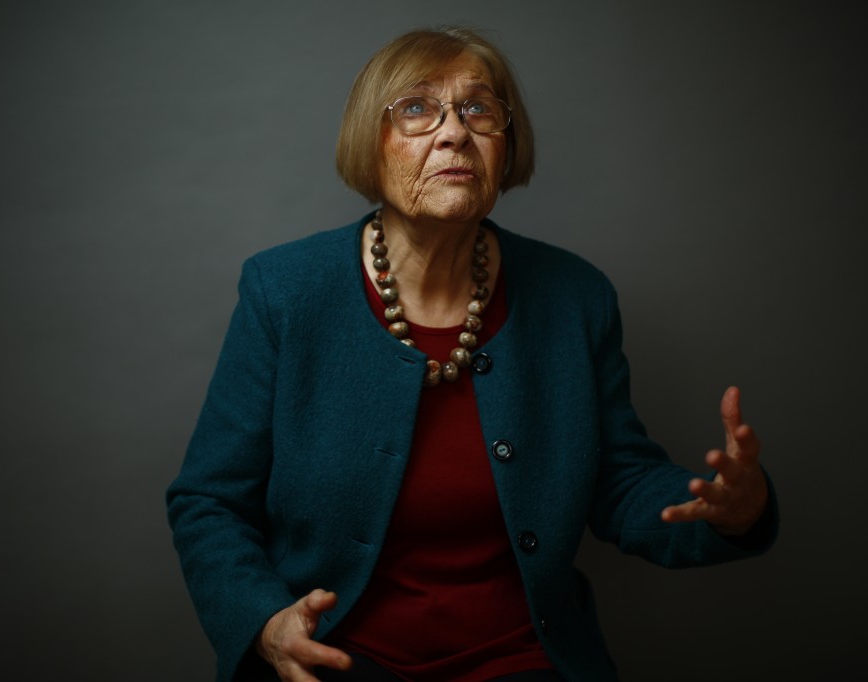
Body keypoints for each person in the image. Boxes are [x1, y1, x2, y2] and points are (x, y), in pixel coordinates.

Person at [166, 26, 777, 682]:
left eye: (479, 109)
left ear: (505, 145)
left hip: (521, 660)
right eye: (417, 108)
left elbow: (620, 482)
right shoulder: (285, 291)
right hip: (338, 659)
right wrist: (265, 622)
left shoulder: (576, 297)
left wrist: (728, 509)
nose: (454, 132)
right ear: (372, 144)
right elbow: (210, 500)